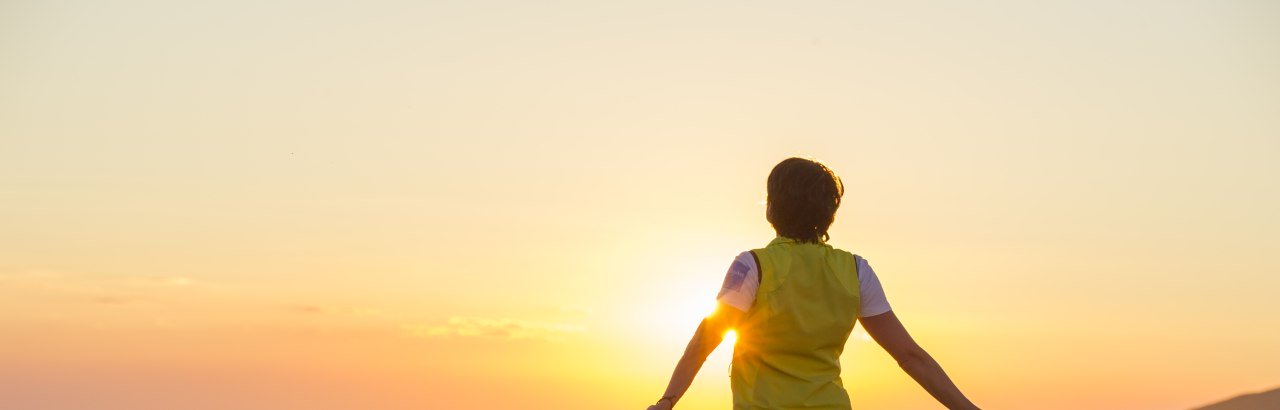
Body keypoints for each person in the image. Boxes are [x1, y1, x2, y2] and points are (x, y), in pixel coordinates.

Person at [646, 158, 980, 410]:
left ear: (771, 208)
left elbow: (706, 340)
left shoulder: (753, 266)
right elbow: (910, 356)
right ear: (829, 214)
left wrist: (668, 401)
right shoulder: (856, 270)